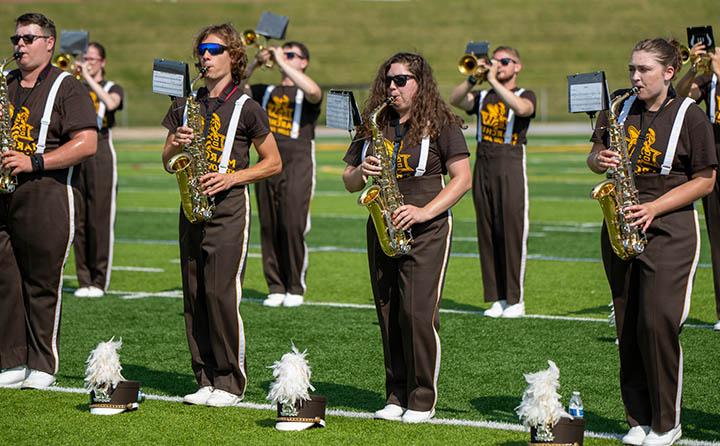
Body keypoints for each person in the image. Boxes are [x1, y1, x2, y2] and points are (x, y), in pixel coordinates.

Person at [587, 38, 716, 445]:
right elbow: (593, 156)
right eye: (632, 69)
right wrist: (600, 160)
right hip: (621, 222)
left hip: (669, 227)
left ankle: (667, 422)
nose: (635, 77)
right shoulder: (619, 108)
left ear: (668, 72)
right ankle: (637, 419)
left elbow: (706, 180)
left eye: (644, 69)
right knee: (627, 325)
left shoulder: (690, 115)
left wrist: (655, 208)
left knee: (657, 322)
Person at [342, 52, 471, 423]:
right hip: (383, 223)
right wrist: (361, 171)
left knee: (416, 313)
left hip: (426, 227)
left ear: (420, 83)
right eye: (388, 80)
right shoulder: (374, 123)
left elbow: (462, 178)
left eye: (401, 80)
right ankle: (395, 394)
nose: (392, 87)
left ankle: (421, 397)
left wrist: (425, 211)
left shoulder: (441, 122)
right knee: (388, 313)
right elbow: (348, 181)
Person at [161, 23, 281, 407]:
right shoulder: (184, 104)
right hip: (191, 205)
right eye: (202, 50)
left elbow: (273, 162)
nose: (206, 57)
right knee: (194, 294)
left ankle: (230, 381)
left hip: (228, 209)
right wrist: (174, 145)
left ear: (234, 57)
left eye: (214, 50)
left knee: (219, 293)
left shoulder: (247, 107)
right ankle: (204, 377)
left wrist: (233, 177)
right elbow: (166, 160)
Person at [0, 12, 97, 389]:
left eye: (28, 38)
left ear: (49, 42)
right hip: (5, 193)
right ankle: (10, 359)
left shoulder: (66, 86)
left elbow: (87, 143)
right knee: (5, 280)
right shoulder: (6, 83)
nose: (19, 45)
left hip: (45, 190)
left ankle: (42, 361)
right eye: (15, 39)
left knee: (41, 282)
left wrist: (34, 161)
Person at [448, 46, 535, 318]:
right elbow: (456, 98)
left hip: (509, 162)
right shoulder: (484, 95)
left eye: (505, 61)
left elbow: (522, 109)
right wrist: (475, 77)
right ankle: (497, 297)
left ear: (517, 66)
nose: (500, 65)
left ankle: (516, 299)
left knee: (512, 229)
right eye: (496, 62)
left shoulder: (525, 94)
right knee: (487, 231)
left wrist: (495, 79)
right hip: (483, 162)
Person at [244, 41, 322, 308]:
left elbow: (313, 91)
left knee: (292, 223)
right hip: (267, 160)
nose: (283, 59)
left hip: (298, 160)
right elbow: (236, 84)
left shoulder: (305, 91)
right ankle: (275, 285)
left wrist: (282, 61)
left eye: (291, 55)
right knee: (269, 224)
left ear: (304, 62)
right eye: (283, 53)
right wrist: (256, 61)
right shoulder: (264, 90)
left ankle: (295, 286)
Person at [73, 41, 124, 298]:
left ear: (102, 62)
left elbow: (111, 104)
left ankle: (99, 280)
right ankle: (83, 280)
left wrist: (88, 79)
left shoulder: (111, 87)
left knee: (100, 218)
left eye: (92, 59)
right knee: (78, 219)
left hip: (102, 150)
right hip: (76, 151)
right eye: (85, 58)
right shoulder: (75, 87)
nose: (88, 62)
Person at [676, 42, 720, 331]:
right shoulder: (709, 79)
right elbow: (680, 95)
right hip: (714, 157)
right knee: (717, 238)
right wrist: (695, 67)